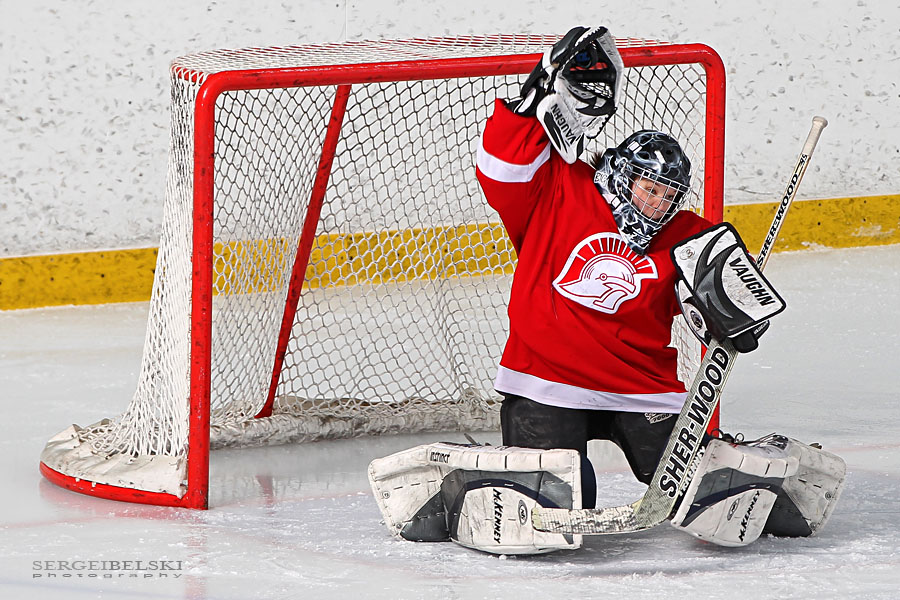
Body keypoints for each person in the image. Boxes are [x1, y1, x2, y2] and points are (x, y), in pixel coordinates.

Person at [474, 26, 713, 508]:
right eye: (650, 188)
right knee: (556, 499)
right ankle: (464, 487)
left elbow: (717, 303)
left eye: (669, 195)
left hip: (642, 388)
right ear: (625, 176)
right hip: (546, 379)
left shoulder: (688, 233)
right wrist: (532, 96)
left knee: (699, 490)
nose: (658, 204)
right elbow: (500, 169)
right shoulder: (560, 189)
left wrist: (736, 311)